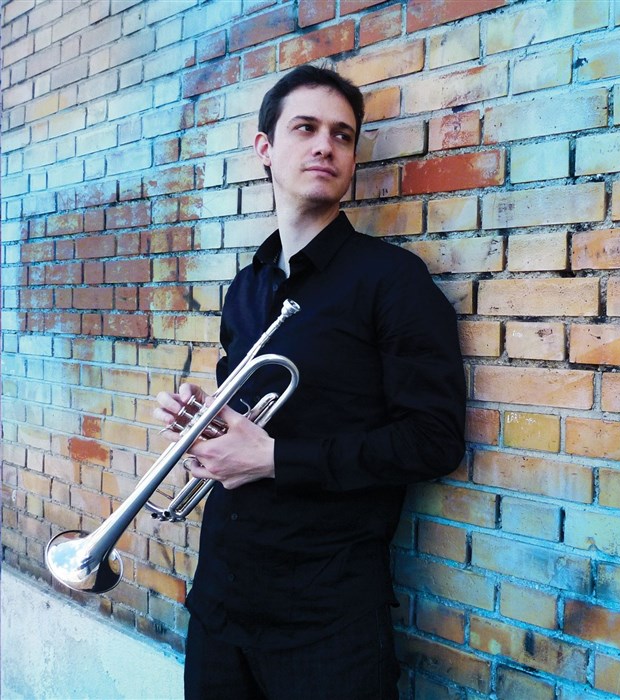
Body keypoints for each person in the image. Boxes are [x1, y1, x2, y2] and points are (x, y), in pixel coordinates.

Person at [154, 64, 466, 700]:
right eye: (305, 128)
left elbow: (433, 440)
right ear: (265, 148)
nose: (326, 145)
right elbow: (247, 421)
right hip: (221, 601)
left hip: (326, 621)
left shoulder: (392, 281)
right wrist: (203, 426)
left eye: (342, 135)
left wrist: (275, 459)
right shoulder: (247, 288)